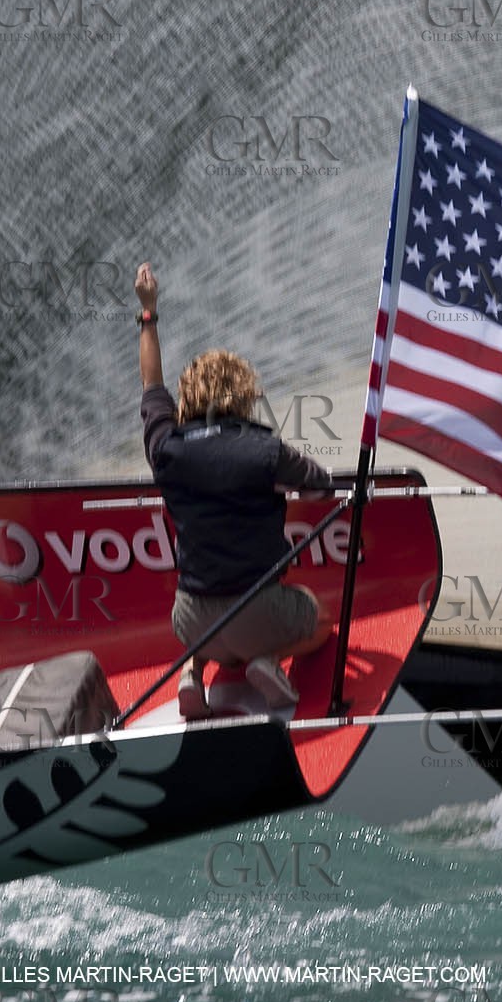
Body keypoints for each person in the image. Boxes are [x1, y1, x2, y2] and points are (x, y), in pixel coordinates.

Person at [133, 261, 338, 719]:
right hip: (256, 612)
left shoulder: (165, 447)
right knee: (319, 617)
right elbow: (321, 487)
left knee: (210, 633)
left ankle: (192, 672)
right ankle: (266, 661)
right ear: (243, 395)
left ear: (188, 398)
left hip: (190, 617)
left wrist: (148, 312)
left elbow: (151, 383)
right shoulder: (264, 450)